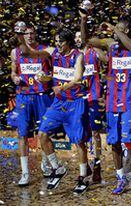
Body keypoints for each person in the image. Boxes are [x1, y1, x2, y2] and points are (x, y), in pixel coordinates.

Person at [22, 29, 91, 194]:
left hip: (76, 102)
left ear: (69, 42)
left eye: (61, 41)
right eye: (57, 41)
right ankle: (57, 168)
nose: (58, 44)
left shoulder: (78, 56)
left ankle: (83, 176)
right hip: (59, 102)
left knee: (78, 140)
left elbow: (77, 78)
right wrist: (45, 78)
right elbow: (32, 54)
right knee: (43, 134)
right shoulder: (54, 53)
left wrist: (61, 87)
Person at [87, 19, 131, 194]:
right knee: (114, 143)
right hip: (112, 102)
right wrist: (83, 20)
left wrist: (114, 29)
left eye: (120, 30)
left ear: (126, 31)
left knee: (128, 141)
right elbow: (87, 41)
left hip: (129, 101)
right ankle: (121, 178)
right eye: (114, 31)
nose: (114, 33)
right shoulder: (111, 46)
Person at [11, 22, 53, 186]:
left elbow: (52, 72)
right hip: (23, 95)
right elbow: (13, 71)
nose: (29, 36)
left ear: (35, 34)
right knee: (22, 134)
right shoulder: (15, 52)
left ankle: (46, 166)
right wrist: (14, 77)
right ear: (21, 35)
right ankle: (25, 173)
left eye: (31, 33)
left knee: (44, 131)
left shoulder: (44, 51)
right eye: (25, 33)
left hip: (41, 95)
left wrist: (46, 77)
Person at [77, 11, 107, 183]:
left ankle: (97, 167)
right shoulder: (75, 54)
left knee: (95, 133)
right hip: (78, 98)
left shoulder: (94, 52)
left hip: (94, 97)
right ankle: (85, 165)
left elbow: (108, 60)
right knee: (80, 133)